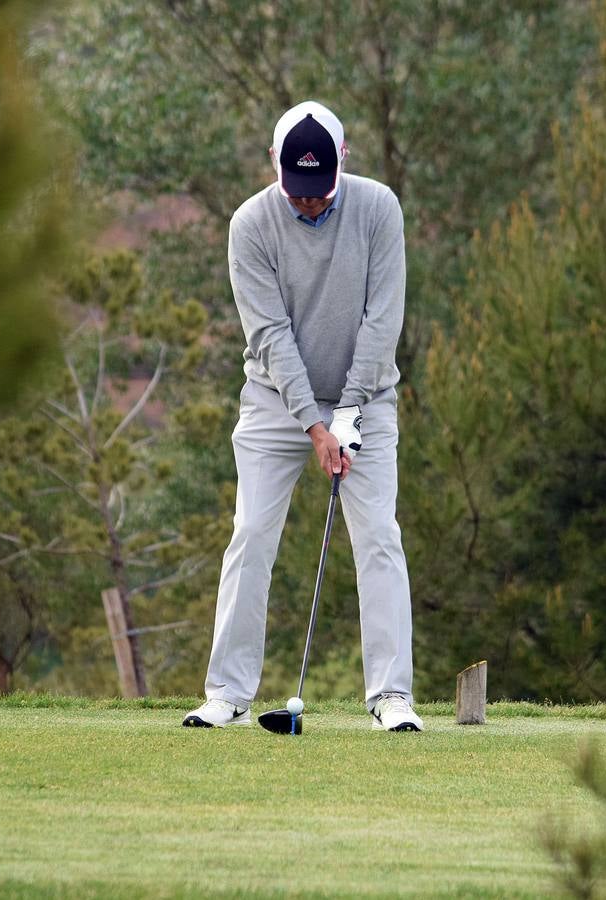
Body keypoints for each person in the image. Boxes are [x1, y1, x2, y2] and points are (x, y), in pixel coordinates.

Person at [183, 101, 422, 732]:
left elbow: (383, 320)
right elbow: (269, 334)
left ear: (343, 161)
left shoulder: (378, 209)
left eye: (320, 192)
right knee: (251, 536)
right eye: (298, 190)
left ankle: (391, 697)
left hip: (366, 396)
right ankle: (227, 693)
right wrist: (317, 428)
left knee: (379, 539)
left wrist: (347, 411)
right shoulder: (250, 224)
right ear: (274, 165)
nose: (310, 203)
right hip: (274, 401)